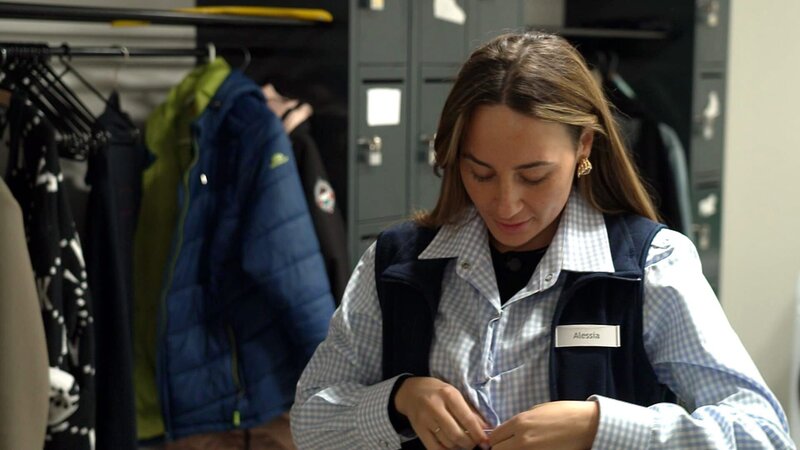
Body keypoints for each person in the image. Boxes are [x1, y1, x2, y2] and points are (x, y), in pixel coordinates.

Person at [290, 32, 794, 449]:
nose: (505, 204)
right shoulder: (397, 262)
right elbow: (309, 421)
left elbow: (764, 434)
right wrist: (398, 400)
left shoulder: (654, 265)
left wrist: (602, 429)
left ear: (584, 149)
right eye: (480, 173)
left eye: (534, 176)